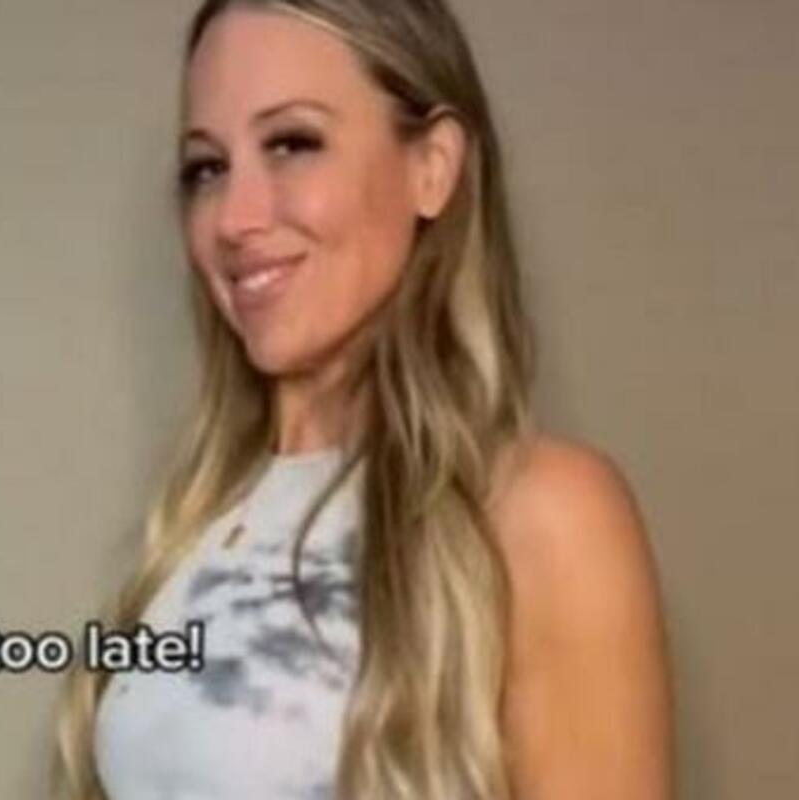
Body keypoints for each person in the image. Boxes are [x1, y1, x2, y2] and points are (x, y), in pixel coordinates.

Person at [52, 1, 674, 798]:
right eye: (207, 168)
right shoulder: (196, 524)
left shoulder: (545, 511)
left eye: (293, 143)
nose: (235, 219)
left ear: (432, 167)